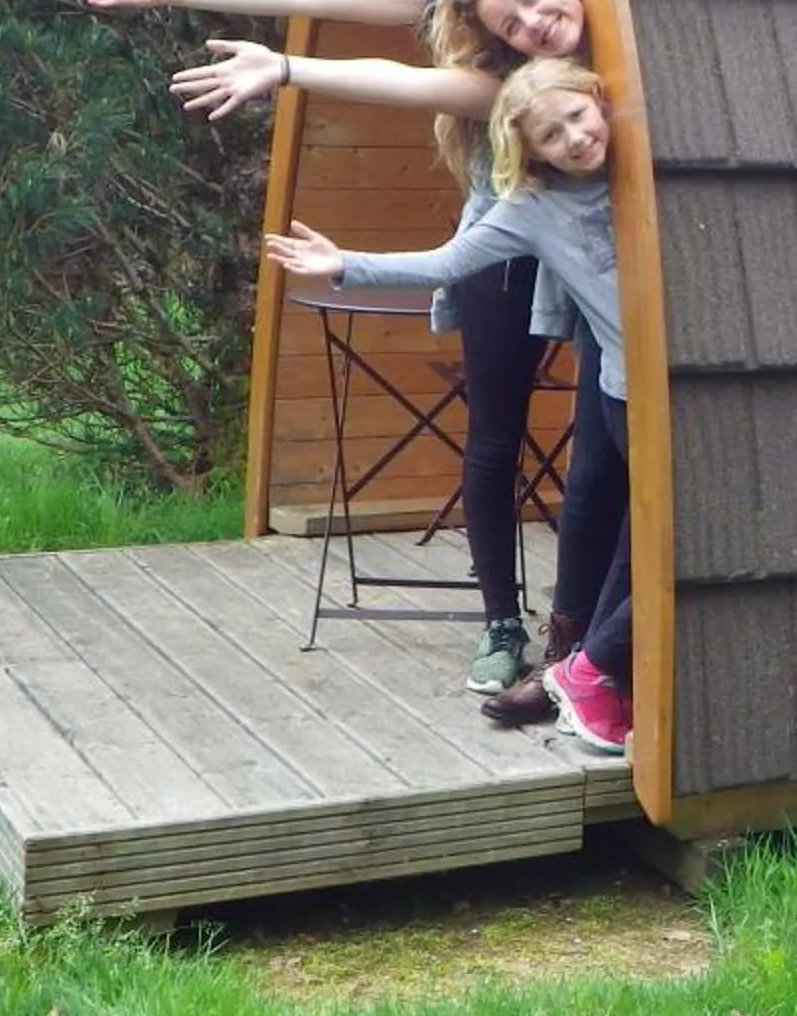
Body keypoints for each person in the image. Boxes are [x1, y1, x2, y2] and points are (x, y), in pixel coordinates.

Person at [62, 0, 598, 701]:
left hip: (600, 229)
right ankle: (503, 623)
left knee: (606, 428)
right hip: (510, 226)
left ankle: (584, 632)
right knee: (498, 426)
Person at [263, 53, 634, 754]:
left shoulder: (637, 160)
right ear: (532, 155)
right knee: (655, 540)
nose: (575, 139)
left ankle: (589, 673)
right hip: (625, 390)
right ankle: (588, 672)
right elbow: (445, 264)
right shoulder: (531, 210)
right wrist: (345, 264)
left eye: (578, 117)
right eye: (552, 136)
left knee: (639, 544)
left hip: (668, 383)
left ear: (599, 99)